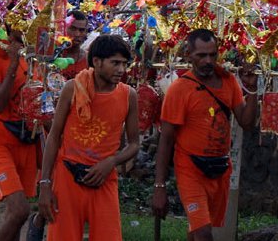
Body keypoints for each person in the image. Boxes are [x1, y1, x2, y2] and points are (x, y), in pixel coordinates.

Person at [152, 29, 259, 241]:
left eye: (212, 55)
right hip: (190, 169)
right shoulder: (179, 89)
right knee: (203, 233)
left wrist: (253, 88)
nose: (208, 60)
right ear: (188, 55)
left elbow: (246, 122)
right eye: (201, 55)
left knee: (197, 230)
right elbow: (166, 139)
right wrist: (159, 187)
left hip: (220, 168)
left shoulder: (228, 82)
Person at [37, 35, 139, 241]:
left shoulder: (129, 95)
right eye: (115, 63)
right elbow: (54, 137)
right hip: (67, 178)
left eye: (124, 64)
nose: (121, 70)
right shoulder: (72, 88)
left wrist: (110, 162)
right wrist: (45, 183)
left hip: (104, 179)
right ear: (96, 62)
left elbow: (134, 144)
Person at [26, 9, 91, 240]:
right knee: (52, 184)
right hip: (51, 126)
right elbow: (38, 87)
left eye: (83, 30)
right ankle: (38, 223)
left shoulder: (87, 59)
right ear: (65, 28)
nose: (78, 34)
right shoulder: (49, 55)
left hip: (78, 132)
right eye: (74, 28)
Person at [0, 23, 36, 241]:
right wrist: (12, 64)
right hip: (0, 139)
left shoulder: (31, 55)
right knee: (20, 210)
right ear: (10, 29)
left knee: (15, 215)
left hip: (26, 140)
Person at [60, 10, 89, 80]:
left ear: (85, 32)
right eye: (73, 29)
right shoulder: (51, 56)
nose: (77, 34)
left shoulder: (90, 59)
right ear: (64, 28)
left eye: (81, 30)